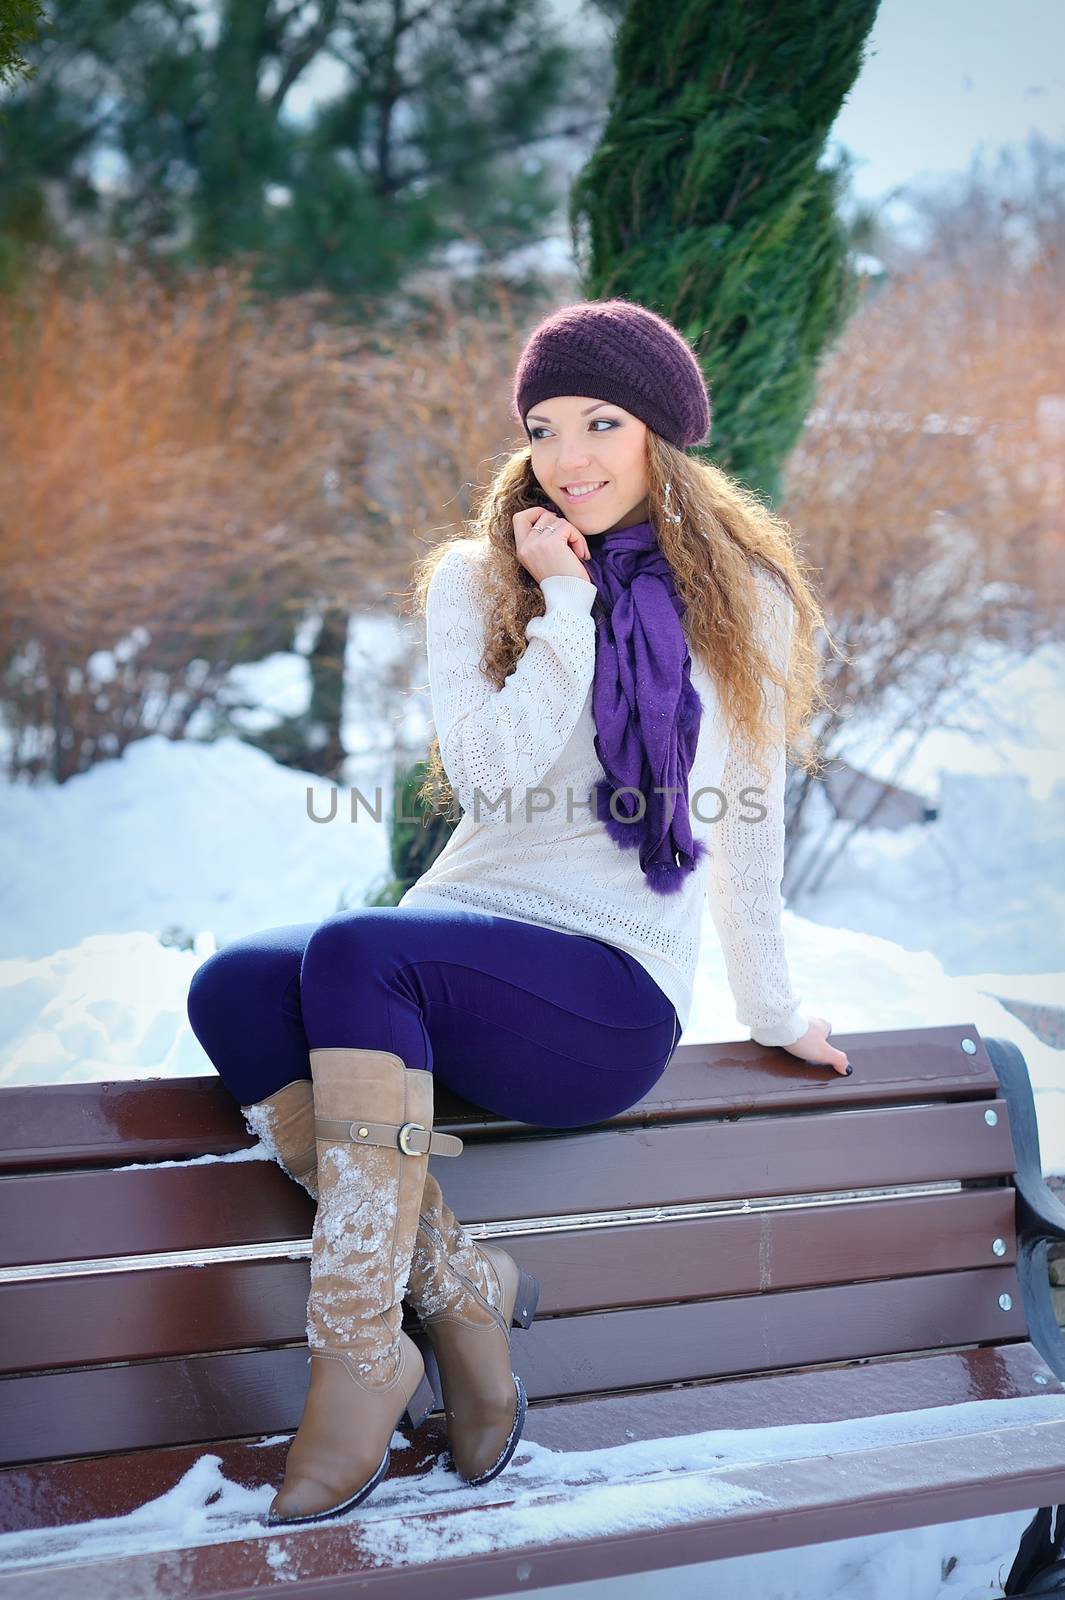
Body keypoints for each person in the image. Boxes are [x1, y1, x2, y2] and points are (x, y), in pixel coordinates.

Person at [185, 296, 847, 1530]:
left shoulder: (738, 595)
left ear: (662, 433)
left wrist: (775, 1009)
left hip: (604, 989)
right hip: (452, 948)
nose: (571, 456)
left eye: (604, 422)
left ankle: (359, 1352)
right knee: (232, 982)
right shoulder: (476, 579)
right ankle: (462, 1293)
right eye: (545, 427)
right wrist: (566, 610)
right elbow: (486, 779)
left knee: (356, 949)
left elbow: (746, 825)